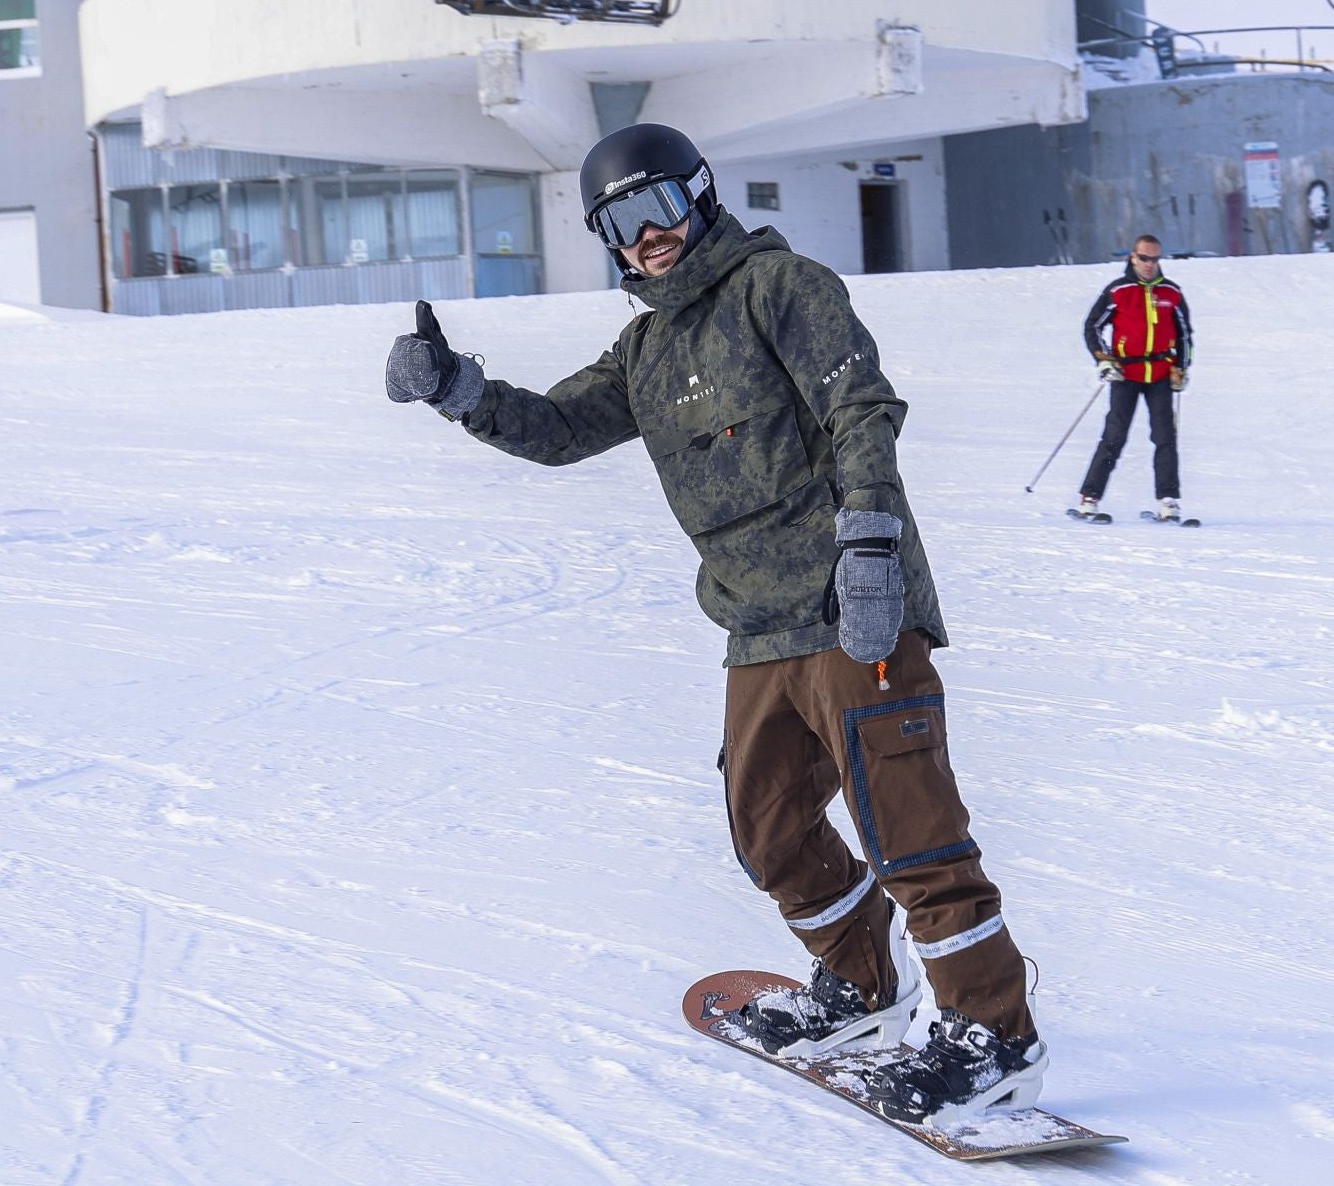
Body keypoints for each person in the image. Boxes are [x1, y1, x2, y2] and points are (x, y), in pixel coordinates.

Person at [384, 122, 1045, 1125]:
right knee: (768, 830)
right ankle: (864, 981)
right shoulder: (645, 348)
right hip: (757, 625)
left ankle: (993, 1030)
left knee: (912, 833)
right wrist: (459, 392)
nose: (643, 236)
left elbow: (859, 407)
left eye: (655, 208)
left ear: (699, 196)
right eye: (617, 222)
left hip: (847, 605)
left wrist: (869, 547)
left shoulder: (785, 289)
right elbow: (562, 430)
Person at [1073, 234, 1194, 522]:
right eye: (1144, 258)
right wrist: (1103, 359)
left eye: (1155, 259)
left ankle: (1168, 499)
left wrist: (1182, 366)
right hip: (1125, 373)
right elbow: (1092, 326)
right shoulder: (1119, 290)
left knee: (1165, 436)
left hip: (1161, 373)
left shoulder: (1172, 293)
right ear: (1132, 257)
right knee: (1114, 436)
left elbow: (1185, 335)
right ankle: (1090, 496)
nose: (1150, 264)